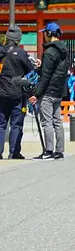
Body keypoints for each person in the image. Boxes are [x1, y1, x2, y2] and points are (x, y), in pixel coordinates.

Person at [29, 21, 69, 160]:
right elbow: (56, 71)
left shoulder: (50, 51)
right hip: (59, 91)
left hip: (48, 92)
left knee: (47, 122)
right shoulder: (63, 50)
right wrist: (42, 66)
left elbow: (46, 76)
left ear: (49, 34)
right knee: (57, 121)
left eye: (45, 33)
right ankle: (60, 150)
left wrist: (37, 94)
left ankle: (49, 150)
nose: (44, 36)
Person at [0, 25, 35, 160]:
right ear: (18, 39)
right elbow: (30, 72)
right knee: (16, 123)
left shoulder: (1, 51)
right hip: (17, 93)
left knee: (1, 123)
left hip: (1, 93)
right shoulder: (20, 53)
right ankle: (14, 152)